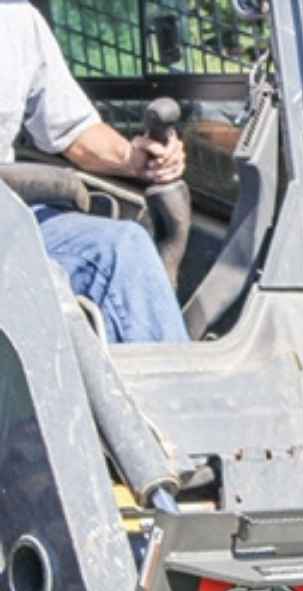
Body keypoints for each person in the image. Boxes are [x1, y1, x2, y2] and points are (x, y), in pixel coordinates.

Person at [1, 0, 189, 343]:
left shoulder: (15, 21)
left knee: (122, 248)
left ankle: (174, 392)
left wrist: (137, 158)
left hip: (8, 218)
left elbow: (74, 130)